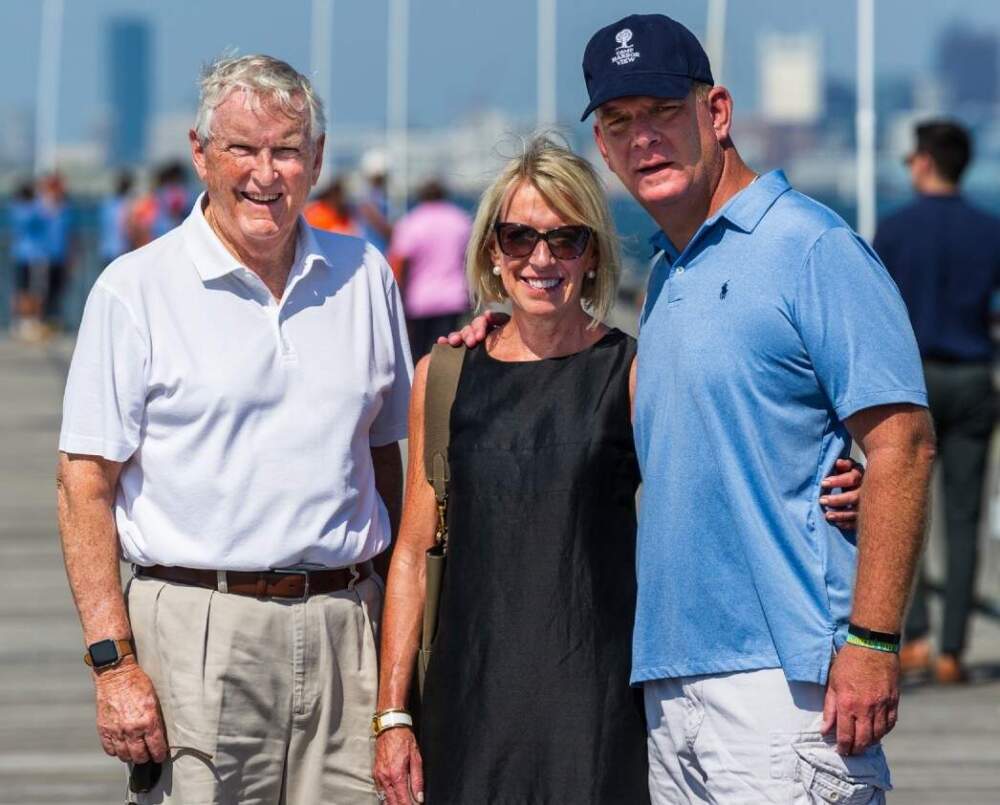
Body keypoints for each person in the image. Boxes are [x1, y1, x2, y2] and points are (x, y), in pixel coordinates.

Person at [450, 14, 935, 804]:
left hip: (787, 687)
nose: (643, 138)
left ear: (717, 113)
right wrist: (501, 332)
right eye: (619, 123)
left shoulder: (810, 247)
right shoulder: (672, 276)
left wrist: (874, 640)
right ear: (603, 149)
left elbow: (904, 445)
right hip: (669, 688)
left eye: (663, 113)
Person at [372, 136, 865, 805]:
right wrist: (393, 715)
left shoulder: (632, 372)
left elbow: (724, 469)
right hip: (469, 697)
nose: (541, 258)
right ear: (492, 249)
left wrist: (837, 479)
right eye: (519, 237)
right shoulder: (444, 377)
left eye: (565, 239)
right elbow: (411, 551)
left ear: (594, 253)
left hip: (595, 703)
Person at [57, 54, 411, 804]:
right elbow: (83, 484)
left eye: (286, 150)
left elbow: (386, 460)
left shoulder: (367, 275)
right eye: (242, 149)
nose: (265, 173)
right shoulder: (134, 289)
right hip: (198, 628)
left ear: (315, 159)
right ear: (200, 153)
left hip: (349, 625)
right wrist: (113, 664)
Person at [874, 120, 1000, 685]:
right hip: (973, 374)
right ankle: (953, 650)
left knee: (906, 504)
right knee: (964, 516)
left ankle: (916, 637)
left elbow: (874, 308)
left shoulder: (896, 229)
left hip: (911, 380)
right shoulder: (988, 229)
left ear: (923, 161)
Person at [388, 178, 472, 360]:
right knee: (450, 356)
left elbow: (399, 263)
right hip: (453, 298)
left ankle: (422, 387)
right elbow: (470, 260)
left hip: (420, 301)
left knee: (418, 355)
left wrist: (398, 297)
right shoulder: (460, 220)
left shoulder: (411, 222)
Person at [8, 180, 48, 341]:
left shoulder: (16, 209)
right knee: (34, 290)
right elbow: (45, 214)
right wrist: (40, 195)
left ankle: (19, 322)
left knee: (20, 289)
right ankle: (31, 321)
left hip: (18, 253)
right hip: (34, 255)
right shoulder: (33, 210)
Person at [37, 172, 73, 327]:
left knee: (58, 289)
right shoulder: (42, 207)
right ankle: (41, 320)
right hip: (45, 256)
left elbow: (70, 234)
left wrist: (71, 256)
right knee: (42, 289)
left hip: (61, 256)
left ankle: (53, 319)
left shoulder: (66, 208)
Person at [98, 171, 134, 266]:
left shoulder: (107, 203)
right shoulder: (126, 204)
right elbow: (126, 228)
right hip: (121, 250)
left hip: (107, 249)